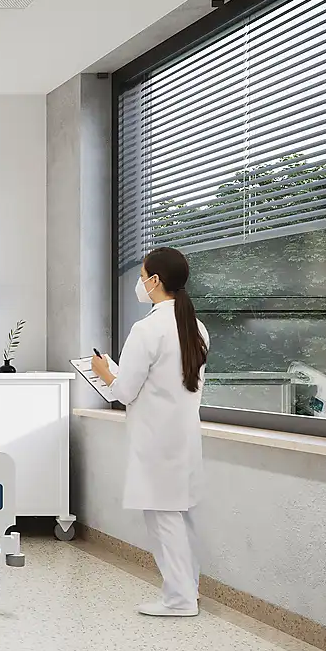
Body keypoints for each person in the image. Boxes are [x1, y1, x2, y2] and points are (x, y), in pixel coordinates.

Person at [92, 246, 209, 617]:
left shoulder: (147, 329)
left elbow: (125, 391)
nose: (140, 283)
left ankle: (179, 599)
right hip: (184, 437)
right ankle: (188, 590)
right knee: (182, 516)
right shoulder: (196, 327)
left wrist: (104, 372)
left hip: (157, 440)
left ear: (155, 280)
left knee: (163, 519)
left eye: (142, 276)